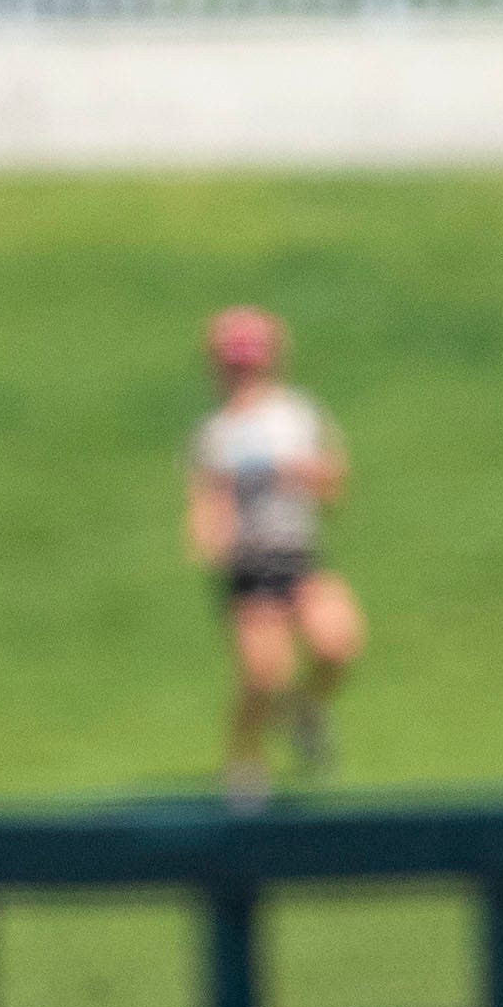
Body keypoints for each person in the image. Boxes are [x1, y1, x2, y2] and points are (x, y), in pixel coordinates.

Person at [182, 304, 361, 805]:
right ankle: (243, 761)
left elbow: (334, 484)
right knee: (263, 673)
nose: (240, 374)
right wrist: (210, 536)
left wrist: (307, 475)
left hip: (298, 554)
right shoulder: (214, 434)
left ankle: (307, 711)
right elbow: (206, 499)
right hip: (250, 564)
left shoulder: (297, 415)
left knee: (337, 644)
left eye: (249, 363)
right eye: (231, 365)